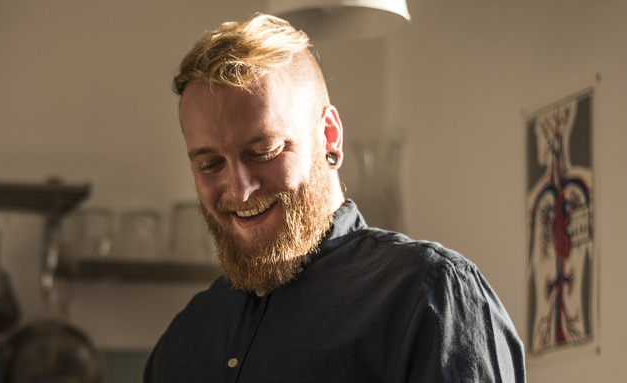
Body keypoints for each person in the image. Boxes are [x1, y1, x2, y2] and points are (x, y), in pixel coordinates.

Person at [144, 14, 526, 382]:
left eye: (264, 152)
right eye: (210, 164)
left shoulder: (429, 293)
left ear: (329, 137)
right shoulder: (182, 340)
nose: (240, 190)